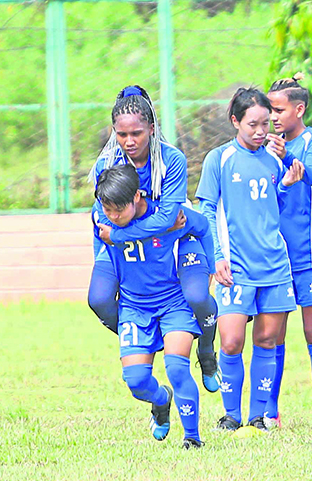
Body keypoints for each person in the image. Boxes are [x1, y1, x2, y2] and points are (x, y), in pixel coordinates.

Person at [87, 85, 221, 394]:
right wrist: (104, 255)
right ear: (114, 132)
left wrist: (119, 234)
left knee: (198, 297)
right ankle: (143, 334)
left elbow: (169, 219)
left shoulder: (170, 159)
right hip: (125, 244)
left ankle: (207, 349)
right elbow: (100, 218)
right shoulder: (105, 165)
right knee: (98, 299)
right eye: (122, 135)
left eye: (137, 133)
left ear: (151, 127)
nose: (129, 141)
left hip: (177, 237)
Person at [195, 87, 308, 435]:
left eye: (265, 124)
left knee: (267, 340)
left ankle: (258, 417)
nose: (261, 131)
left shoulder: (274, 158)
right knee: (230, 341)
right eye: (253, 124)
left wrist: (287, 183)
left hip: (274, 264)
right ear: (235, 122)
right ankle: (231, 414)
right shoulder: (219, 160)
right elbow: (207, 211)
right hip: (236, 266)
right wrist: (216, 258)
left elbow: (278, 208)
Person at [94, 165, 208, 449]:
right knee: (135, 380)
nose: (113, 217)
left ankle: (192, 437)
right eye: (108, 210)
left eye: (118, 209)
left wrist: (210, 266)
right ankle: (161, 400)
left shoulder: (169, 217)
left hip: (173, 302)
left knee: (177, 367)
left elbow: (204, 227)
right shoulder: (103, 222)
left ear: (136, 197)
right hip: (134, 306)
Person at [262, 74, 312, 433]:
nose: (273, 117)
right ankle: (270, 410)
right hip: (273, 255)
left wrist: (286, 153)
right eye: (268, 110)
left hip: (311, 252)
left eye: (278, 110)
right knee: (273, 334)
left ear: (299, 108)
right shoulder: (260, 146)